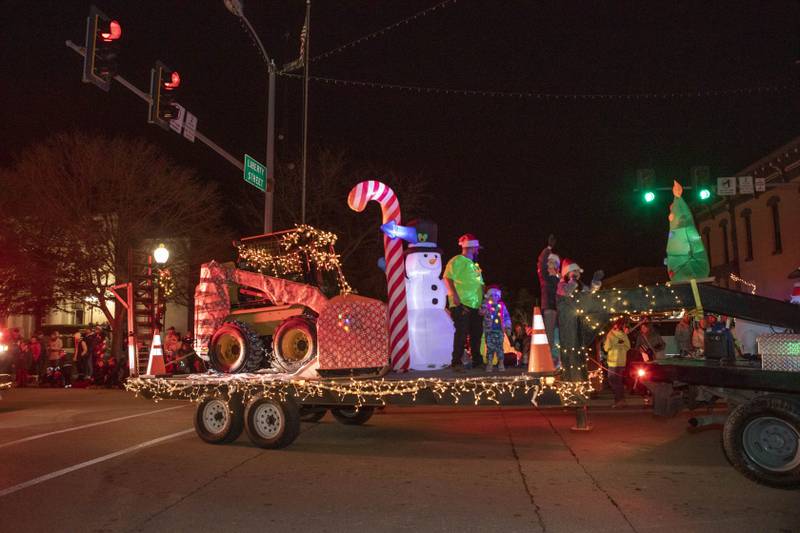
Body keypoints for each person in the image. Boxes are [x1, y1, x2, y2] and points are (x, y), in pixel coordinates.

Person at [444, 233, 485, 370]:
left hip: (476, 305)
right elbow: (447, 278)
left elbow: (481, 285)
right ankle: (456, 362)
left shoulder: (476, 266)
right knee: (461, 332)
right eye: (476, 248)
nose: (477, 250)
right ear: (472, 248)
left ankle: (477, 361)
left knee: (476, 333)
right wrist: (454, 295)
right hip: (462, 303)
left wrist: (483, 303)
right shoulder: (456, 260)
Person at [536, 234, 561, 367]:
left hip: (560, 309)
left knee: (558, 336)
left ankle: (558, 360)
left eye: (554, 263)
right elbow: (541, 261)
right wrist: (549, 248)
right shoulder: (545, 277)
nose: (551, 265)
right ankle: (549, 360)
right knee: (550, 336)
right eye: (549, 263)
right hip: (550, 309)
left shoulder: (560, 279)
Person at [480, 286, 512, 372]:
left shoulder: (501, 306)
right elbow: (481, 312)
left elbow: (506, 316)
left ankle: (501, 363)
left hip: (499, 331)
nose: (494, 297)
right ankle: (489, 364)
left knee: (500, 348)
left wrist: (508, 327)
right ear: (489, 296)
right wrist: (485, 305)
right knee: (490, 348)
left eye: (496, 296)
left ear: (498, 297)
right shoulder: (486, 305)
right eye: (492, 295)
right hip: (489, 330)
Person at [603, 318, 630, 407]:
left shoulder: (610, 335)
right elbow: (628, 347)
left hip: (613, 361)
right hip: (622, 361)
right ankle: (621, 400)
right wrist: (620, 345)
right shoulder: (624, 335)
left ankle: (619, 400)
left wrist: (613, 346)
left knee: (613, 381)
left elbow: (606, 348)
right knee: (618, 381)